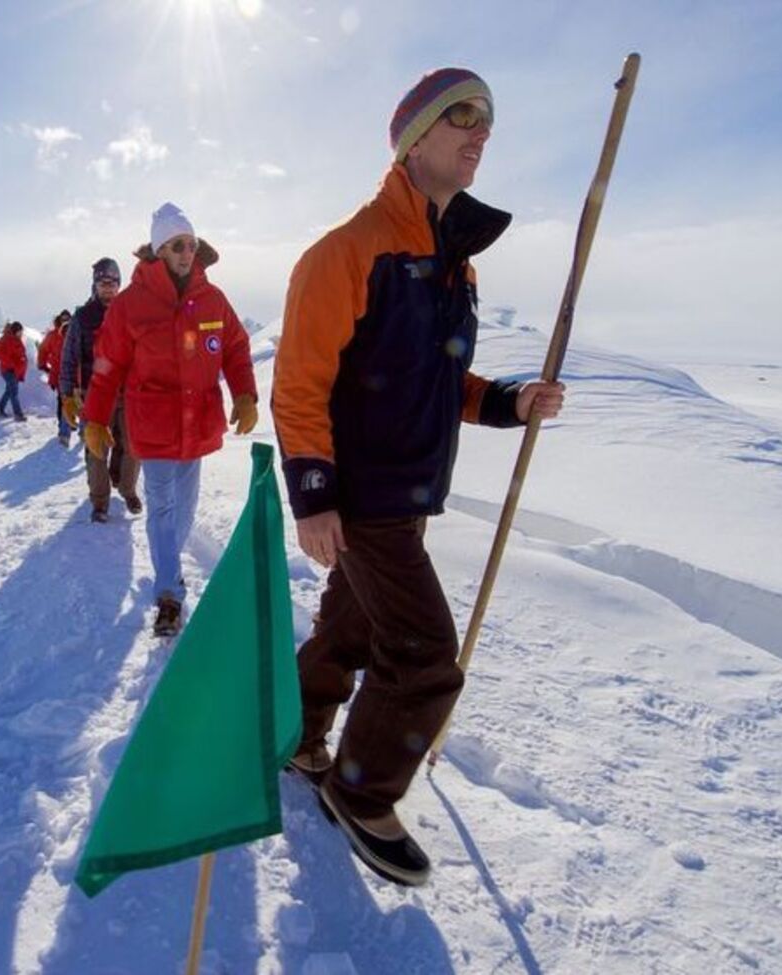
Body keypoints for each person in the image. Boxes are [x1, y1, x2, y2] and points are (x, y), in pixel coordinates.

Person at [272, 68, 565, 886]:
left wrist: (510, 401)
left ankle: (297, 735)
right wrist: (315, 497)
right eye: (463, 115)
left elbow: (447, 381)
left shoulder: (452, 264)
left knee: (352, 630)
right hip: (364, 496)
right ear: (413, 138)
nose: (482, 130)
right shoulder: (347, 251)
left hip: (408, 491)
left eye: (488, 119)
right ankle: (360, 792)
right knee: (426, 656)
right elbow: (298, 382)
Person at [83, 203, 258, 636]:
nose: (187, 253)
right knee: (162, 508)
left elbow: (234, 347)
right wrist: (96, 419)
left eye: (192, 245)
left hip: (198, 424)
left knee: (184, 511)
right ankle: (168, 593)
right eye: (178, 245)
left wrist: (246, 393)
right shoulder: (130, 305)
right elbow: (108, 365)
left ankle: (168, 566)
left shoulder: (213, 299)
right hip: (155, 425)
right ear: (159, 251)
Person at [60, 258, 142, 522]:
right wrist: (67, 394)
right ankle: (100, 502)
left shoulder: (130, 313)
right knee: (96, 449)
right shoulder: (83, 317)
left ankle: (127, 488)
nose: (108, 288)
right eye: (103, 283)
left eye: (113, 283)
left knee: (132, 445)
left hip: (128, 393)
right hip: (93, 395)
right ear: (95, 285)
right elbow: (69, 357)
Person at [37, 310, 73, 446]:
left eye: (67, 318)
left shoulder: (75, 332)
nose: (65, 320)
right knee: (62, 400)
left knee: (75, 400)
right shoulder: (52, 335)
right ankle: (63, 427)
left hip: (75, 373)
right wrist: (42, 364)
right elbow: (43, 350)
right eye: (63, 318)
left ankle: (69, 423)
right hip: (58, 373)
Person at [0, 321, 28, 421]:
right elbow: (2, 355)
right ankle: (18, 414)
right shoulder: (7, 340)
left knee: (9, 391)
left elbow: (21, 357)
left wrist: (20, 371)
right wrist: (13, 366)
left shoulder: (17, 341)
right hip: (9, 370)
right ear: (15, 331)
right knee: (14, 392)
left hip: (15, 371)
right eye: (19, 331)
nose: (21, 333)